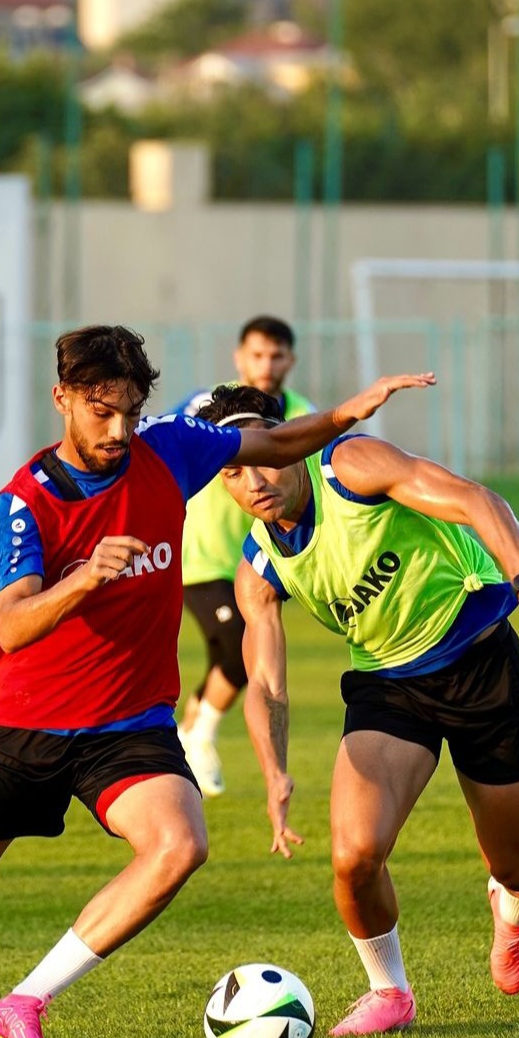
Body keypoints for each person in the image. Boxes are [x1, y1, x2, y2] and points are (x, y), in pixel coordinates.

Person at [0, 324, 434, 1038]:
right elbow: (13, 620)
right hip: (24, 725)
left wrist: (354, 408)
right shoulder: (25, 501)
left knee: (180, 843)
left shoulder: (167, 448)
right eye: (101, 411)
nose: (119, 429)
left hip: (129, 723)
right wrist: (88, 576)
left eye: (130, 409)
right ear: (62, 397)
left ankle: (25, 1000)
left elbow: (279, 444)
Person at [195, 383, 519, 1038]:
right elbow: (266, 683)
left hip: (480, 661)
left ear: (288, 440)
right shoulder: (259, 568)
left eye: (264, 455)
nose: (255, 479)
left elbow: (474, 499)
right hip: (389, 689)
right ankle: (389, 991)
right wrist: (275, 773)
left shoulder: (349, 468)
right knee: (354, 854)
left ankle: (512, 908)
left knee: (518, 862)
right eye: (234, 471)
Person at [175, 316, 315, 797]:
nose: (266, 364)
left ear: (290, 361)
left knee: (229, 658)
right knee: (239, 649)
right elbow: (162, 443)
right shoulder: (210, 407)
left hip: (259, 561)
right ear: (239, 358)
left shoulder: (300, 415)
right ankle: (198, 739)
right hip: (198, 558)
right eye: (257, 354)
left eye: (276, 355)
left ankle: (187, 730)